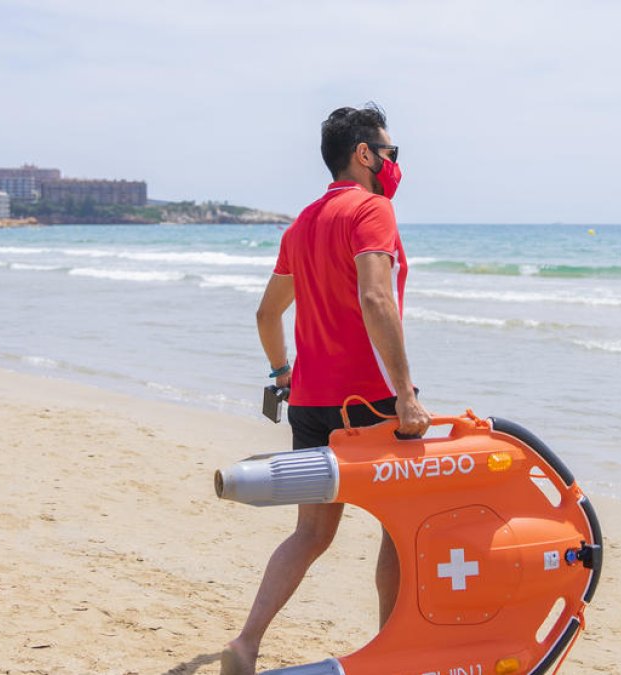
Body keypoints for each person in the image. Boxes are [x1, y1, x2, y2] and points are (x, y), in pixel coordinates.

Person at [222, 104, 432, 675]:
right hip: (370, 403)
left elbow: (268, 314)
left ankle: (246, 643)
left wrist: (282, 375)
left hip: (312, 403)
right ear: (364, 154)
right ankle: (395, 649)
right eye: (391, 153)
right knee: (404, 526)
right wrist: (406, 395)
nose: (394, 164)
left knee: (311, 534)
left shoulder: (304, 223)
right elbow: (375, 297)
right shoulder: (372, 211)